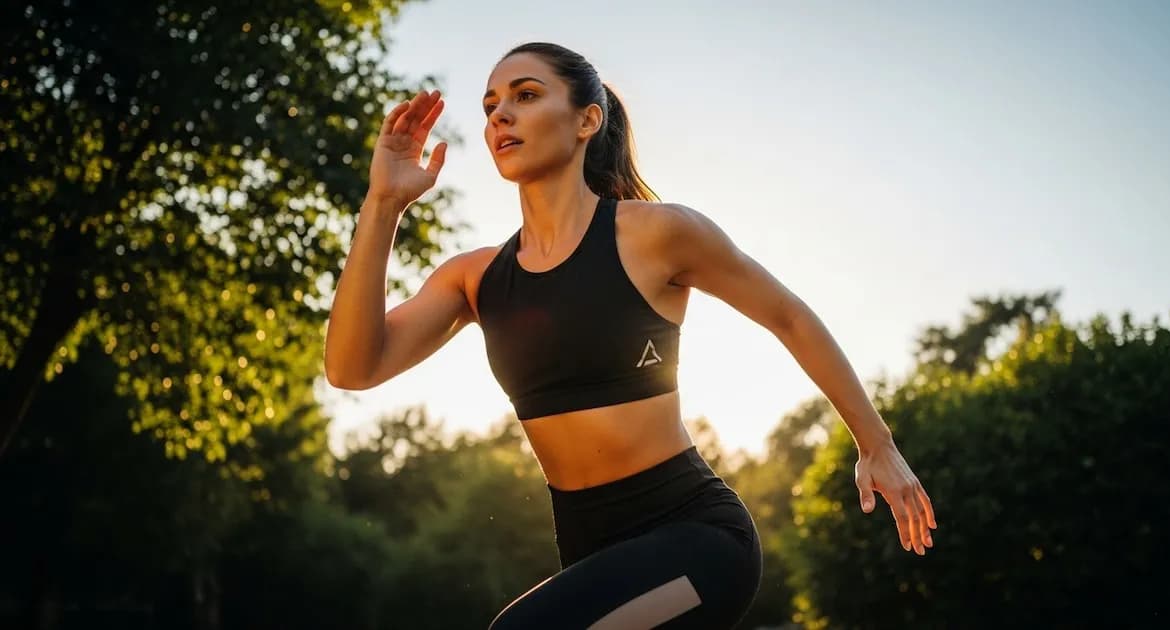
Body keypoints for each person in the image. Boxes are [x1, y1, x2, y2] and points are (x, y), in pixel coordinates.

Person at [324, 41, 937, 629]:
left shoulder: (657, 235)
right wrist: (383, 204)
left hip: (699, 540)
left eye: (526, 94)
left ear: (587, 119)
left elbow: (789, 315)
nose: (501, 114)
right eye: (489, 106)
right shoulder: (475, 277)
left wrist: (875, 441)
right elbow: (353, 368)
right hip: (592, 554)